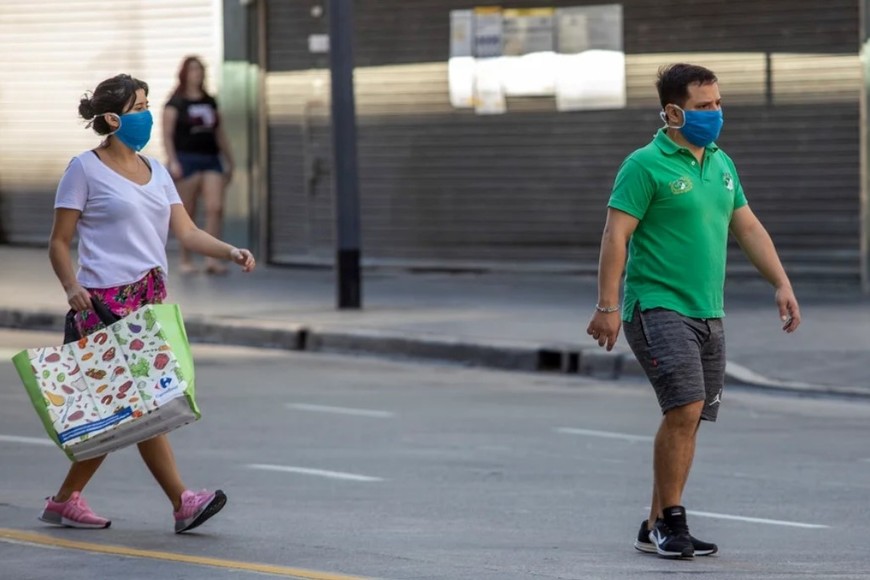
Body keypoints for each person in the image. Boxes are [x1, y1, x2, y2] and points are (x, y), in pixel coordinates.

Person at [585, 63, 801, 559]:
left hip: (708, 309)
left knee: (693, 416)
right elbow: (615, 235)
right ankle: (673, 524)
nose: (715, 114)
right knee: (682, 407)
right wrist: (608, 306)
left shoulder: (722, 164)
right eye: (704, 107)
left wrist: (781, 282)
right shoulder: (644, 164)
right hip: (656, 305)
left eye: (718, 104)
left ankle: (654, 522)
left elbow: (748, 228)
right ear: (673, 111)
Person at [45, 73, 256, 533]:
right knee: (142, 405)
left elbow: (186, 233)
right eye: (138, 106)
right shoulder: (83, 169)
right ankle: (183, 502)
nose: (145, 114)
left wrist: (231, 250)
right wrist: (71, 286)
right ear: (113, 118)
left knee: (126, 409)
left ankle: (65, 500)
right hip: (100, 307)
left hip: (148, 303)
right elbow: (59, 243)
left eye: (146, 104)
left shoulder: (156, 171)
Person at [163, 56, 235, 275]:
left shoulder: (209, 101)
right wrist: (173, 161)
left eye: (200, 69)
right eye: (193, 69)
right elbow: (167, 135)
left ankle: (211, 259)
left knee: (215, 208)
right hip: (187, 159)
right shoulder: (176, 103)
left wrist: (230, 159)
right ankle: (186, 258)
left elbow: (219, 132)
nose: (198, 73)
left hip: (210, 158)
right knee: (188, 210)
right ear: (185, 73)